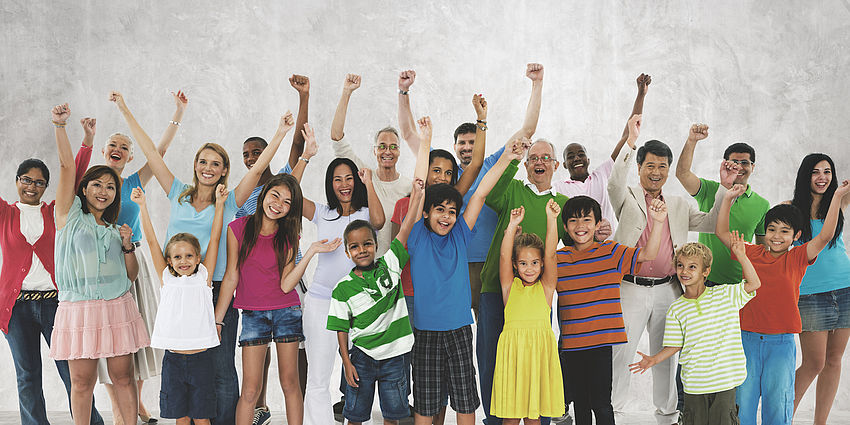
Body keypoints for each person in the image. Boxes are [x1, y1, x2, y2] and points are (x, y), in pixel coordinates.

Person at [111, 91, 296, 425]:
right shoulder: (177, 193)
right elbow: (152, 153)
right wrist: (124, 108)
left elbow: (257, 171)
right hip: (180, 289)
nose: (208, 168)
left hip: (217, 289)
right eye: (203, 162)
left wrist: (280, 132)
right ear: (196, 165)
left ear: (224, 171)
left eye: (215, 164)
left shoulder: (231, 200)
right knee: (185, 365)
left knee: (221, 366)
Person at [607, 116, 735, 424]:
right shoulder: (627, 197)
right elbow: (613, 183)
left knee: (667, 352)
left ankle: (666, 414)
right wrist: (631, 141)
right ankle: (613, 411)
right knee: (621, 351)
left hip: (668, 288)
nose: (656, 172)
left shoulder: (678, 204)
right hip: (630, 286)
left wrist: (724, 187)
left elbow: (710, 222)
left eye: (662, 166)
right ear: (639, 167)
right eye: (650, 165)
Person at [407, 129, 535, 425]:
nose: (446, 216)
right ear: (425, 213)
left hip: (460, 331)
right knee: (425, 404)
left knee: (465, 401)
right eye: (440, 210)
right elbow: (418, 189)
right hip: (426, 334)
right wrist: (425, 141)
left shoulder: (459, 235)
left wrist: (507, 157)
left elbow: (480, 193)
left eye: (452, 212)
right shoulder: (416, 237)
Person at [397, 64, 544, 321]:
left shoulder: (490, 166)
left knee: (490, 330)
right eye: (462, 143)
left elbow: (526, 131)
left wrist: (537, 84)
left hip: (489, 260)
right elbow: (409, 135)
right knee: (450, 320)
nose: (467, 147)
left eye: (472, 142)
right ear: (454, 146)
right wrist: (403, 92)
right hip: (454, 261)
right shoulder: (444, 180)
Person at [85, 90, 186, 425]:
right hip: (103, 265)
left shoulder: (133, 181)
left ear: (129, 157)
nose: (118, 149)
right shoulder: (92, 185)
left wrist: (178, 112)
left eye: (125, 147)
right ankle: (118, 408)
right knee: (110, 337)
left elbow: (160, 151)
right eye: (113, 145)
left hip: (134, 260)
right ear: (104, 151)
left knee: (138, 332)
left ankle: (136, 401)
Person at [48, 102, 150, 425]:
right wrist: (61, 126)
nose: (103, 192)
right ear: (84, 188)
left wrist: (127, 246)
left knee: (124, 378)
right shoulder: (68, 216)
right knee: (82, 382)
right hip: (78, 308)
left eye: (110, 187)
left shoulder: (113, 229)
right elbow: (67, 167)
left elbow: (130, 276)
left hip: (117, 306)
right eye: (96, 184)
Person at [716, 179, 850, 425]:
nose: (776, 236)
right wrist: (726, 199)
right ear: (765, 231)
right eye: (772, 229)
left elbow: (826, 235)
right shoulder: (751, 253)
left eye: (784, 231)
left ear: (796, 236)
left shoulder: (798, 257)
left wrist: (838, 196)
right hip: (746, 340)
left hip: (781, 343)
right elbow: (722, 233)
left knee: (778, 402)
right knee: (743, 402)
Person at [215, 172, 340, 425]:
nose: (278, 204)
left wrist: (311, 252)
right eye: (275, 195)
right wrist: (217, 320)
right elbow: (230, 276)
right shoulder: (237, 228)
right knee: (250, 389)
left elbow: (286, 285)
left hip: (287, 311)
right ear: (264, 193)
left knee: (290, 383)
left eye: (287, 202)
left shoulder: (289, 235)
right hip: (253, 314)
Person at [2, 133, 104, 424]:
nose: (31, 186)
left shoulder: (54, 212)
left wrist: (86, 143)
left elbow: (74, 176)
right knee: (27, 376)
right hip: (16, 307)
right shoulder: (5, 213)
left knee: (73, 374)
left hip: (56, 305)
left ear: (46, 187)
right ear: (17, 181)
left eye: (39, 182)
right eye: (26, 179)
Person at [291, 125, 385, 425]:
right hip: (321, 302)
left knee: (359, 375)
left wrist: (369, 182)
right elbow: (290, 192)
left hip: (359, 306)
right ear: (330, 184)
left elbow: (380, 222)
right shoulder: (322, 213)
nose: (343, 185)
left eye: (348, 178)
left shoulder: (365, 213)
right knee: (318, 378)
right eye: (337, 179)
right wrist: (306, 156)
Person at [235, 74, 310, 425]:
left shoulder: (282, 183)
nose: (252, 158)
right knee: (256, 361)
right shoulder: (243, 200)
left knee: (293, 362)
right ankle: (260, 408)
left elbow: (297, 146)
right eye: (246, 155)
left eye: (257, 152)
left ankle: (294, 410)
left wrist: (303, 98)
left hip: (286, 282)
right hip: (256, 291)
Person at [556, 192, 667, 425]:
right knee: (581, 405)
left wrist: (657, 222)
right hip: (573, 344)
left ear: (598, 224)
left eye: (587, 219)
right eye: (573, 220)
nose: (580, 225)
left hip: (601, 343)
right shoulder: (559, 259)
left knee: (601, 404)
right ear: (565, 227)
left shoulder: (612, 252)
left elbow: (648, 254)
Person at [629, 237, 761, 425]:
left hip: (724, 381)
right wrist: (654, 359)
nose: (684, 271)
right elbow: (675, 345)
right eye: (680, 266)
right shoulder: (676, 308)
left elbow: (754, 284)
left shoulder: (724, 294)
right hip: (694, 384)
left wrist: (741, 256)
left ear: (705, 271)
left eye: (692, 267)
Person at [327, 178, 422, 425]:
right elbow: (340, 329)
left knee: (393, 416)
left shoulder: (390, 264)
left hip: (395, 357)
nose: (362, 250)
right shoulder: (342, 289)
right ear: (347, 252)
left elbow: (405, 228)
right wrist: (346, 362)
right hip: (362, 358)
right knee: (355, 415)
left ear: (376, 245)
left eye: (367, 244)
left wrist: (417, 197)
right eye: (355, 246)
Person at [131, 184, 226, 424]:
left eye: (189, 255)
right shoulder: (166, 278)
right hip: (173, 361)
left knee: (202, 418)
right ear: (169, 261)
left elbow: (215, 239)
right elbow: (151, 241)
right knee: (181, 418)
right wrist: (142, 206)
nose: (184, 261)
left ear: (198, 258)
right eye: (177, 256)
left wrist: (220, 204)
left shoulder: (203, 277)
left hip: (201, 361)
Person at [391, 97, 487, 322]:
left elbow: (476, 165)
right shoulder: (408, 203)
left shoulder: (452, 199)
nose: (442, 177)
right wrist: (425, 141)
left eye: (448, 173)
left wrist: (481, 121)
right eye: (435, 170)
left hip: (443, 291)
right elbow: (394, 250)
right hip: (410, 289)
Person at [554, 73, 651, 241]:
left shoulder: (602, 175)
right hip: (578, 251)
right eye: (571, 156)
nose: (576, 158)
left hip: (608, 249)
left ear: (588, 160)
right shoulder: (558, 188)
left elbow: (627, 135)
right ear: (564, 164)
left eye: (581, 154)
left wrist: (641, 94)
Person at [790, 154, 850, 425]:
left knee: (834, 360)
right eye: (815, 172)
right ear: (806, 176)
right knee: (814, 363)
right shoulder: (791, 209)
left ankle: (820, 422)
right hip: (810, 294)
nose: (822, 177)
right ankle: (780, 419)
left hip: (845, 288)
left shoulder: (839, 202)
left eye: (827, 171)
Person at [491, 202, 565, 424]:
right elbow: (503, 256)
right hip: (512, 355)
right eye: (523, 263)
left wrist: (551, 219)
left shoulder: (546, 288)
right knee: (511, 418)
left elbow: (551, 255)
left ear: (541, 264)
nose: (529, 268)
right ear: (515, 264)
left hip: (538, 355)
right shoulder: (509, 287)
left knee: (534, 417)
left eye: (534, 263)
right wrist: (512, 225)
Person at [675, 123, 769, 285]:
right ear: (725, 163)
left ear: (752, 167)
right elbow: (682, 174)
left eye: (745, 162)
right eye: (734, 162)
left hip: (739, 283)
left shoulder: (762, 205)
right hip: (704, 279)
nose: (739, 167)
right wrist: (692, 141)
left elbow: (763, 250)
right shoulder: (709, 190)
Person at [331, 73, 410, 258]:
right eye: (382, 146)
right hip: (367, 265)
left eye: (393, 147)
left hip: (398, 267)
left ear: (399, 152)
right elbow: (336, 137)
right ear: (375, 151)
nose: (387, 151)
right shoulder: (365, 175)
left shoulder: (409, 186)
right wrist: (346, 93)